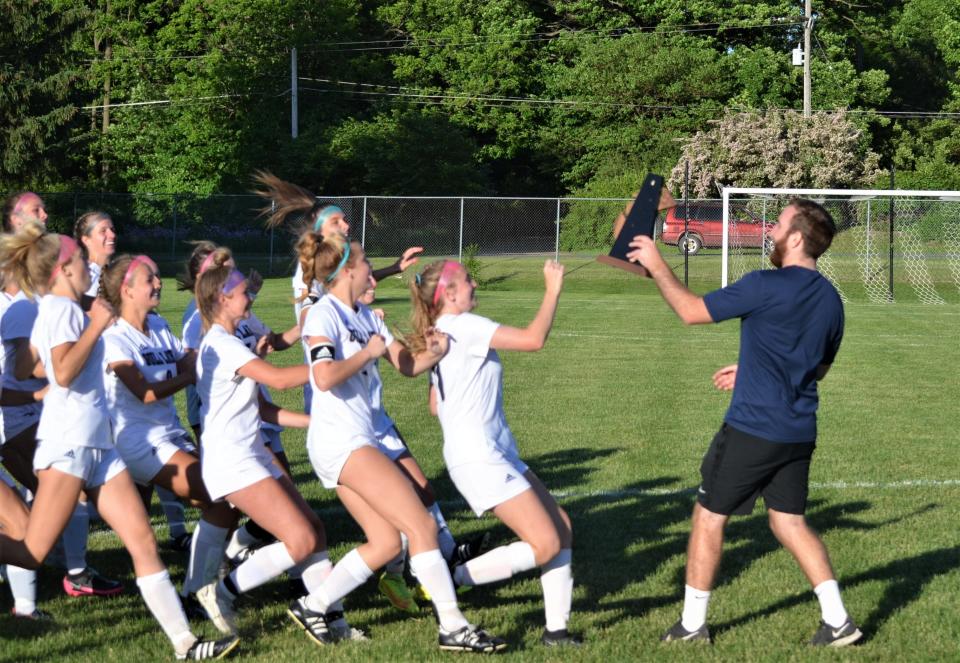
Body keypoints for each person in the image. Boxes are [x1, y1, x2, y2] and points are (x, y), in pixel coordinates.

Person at [626, 198, 861, 647]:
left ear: (796, 238)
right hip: (798, 432)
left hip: (754, 429)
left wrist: (657, 264)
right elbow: (818, 369)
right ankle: (838, 620)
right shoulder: (833, 300)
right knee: (788, 522)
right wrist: (752, 369)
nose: (771, 229)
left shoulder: (765, 285)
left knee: (709, 517)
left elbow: (691, 311)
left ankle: (692, 627)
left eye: (780, 222)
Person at [0, 222, 238, 660]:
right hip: (68, 446)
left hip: (101, 447)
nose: (89, 266)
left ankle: (186, 644)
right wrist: (93, 328)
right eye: (79, 260)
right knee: (32, 552)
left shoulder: (64, 306)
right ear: (62, 269)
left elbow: (27, 369)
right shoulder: (61, 310)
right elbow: (66, 372)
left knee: (143, 541)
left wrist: (74, 333)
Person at [294, 233, 505, 653]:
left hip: (357, 440)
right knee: (422, 525)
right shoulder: (323, 315)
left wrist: (436, 352)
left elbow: (407, 365)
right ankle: (453, 627)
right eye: (367, 262)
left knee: (388, 542)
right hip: (340, 441)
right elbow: (322, 377)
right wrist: (365, 354)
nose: (373, 268)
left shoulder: (368, 317)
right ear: (347, 271)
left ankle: (314, 605)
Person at [408, 258, 580, 648]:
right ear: (449, 294)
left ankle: (557, 633)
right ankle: (451, 579)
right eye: (468, 280)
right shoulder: (464, 326)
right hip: (480, 456)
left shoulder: (444, 330)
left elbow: (435, 404)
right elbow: (533, 339)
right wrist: (552, 291)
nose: (474, 284)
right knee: (546, 543)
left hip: (493, 451)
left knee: (562, 527)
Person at [190, 259, 363, 644]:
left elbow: (263, 409)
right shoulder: (220, 343)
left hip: (252, 451)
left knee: (315, 531)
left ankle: (330, 618)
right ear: (222, 299)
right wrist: (333, 364)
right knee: (298, 540)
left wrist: (313, 422)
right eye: (241, 292)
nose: (249, 295)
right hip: (232, 460)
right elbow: (283, 381)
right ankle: (219, 592)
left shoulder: (234, 342)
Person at [1, 193, 123, 600]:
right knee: (36, 523)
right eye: (36, 211)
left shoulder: (35, 302)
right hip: (16, 421)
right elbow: (22, 370)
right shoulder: (22, 306)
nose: (45, 215)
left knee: (41, 515)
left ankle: (54, 580)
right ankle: (68, 572)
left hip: (35, 418)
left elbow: (26, 366)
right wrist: (42, 390)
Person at [99, 253, 239, 602]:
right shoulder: (114, 337)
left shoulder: (159, 326)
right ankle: (205, 585)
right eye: (150, 280)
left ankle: (198, 580)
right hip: (138, 441)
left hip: (167, 434)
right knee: (219, 496)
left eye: (157, 277)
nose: (159, 284)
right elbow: (144, 392)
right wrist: (189, 375)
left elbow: (187, 359)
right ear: (127, 290)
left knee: (143, 529)